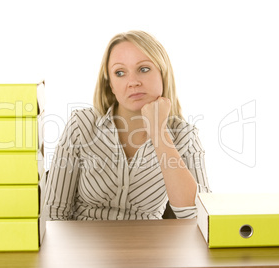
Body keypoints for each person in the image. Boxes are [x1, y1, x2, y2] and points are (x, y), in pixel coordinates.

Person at [45, 30, 210, 220]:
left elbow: (202, 220)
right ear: (111, 85)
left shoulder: (185, 137)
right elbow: (54, 213)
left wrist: (158, 132)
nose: (133, 82)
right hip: (82, 246)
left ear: (163, 74)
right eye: (120, 73)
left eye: (144, 69)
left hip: (149, 248)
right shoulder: (81, 126)